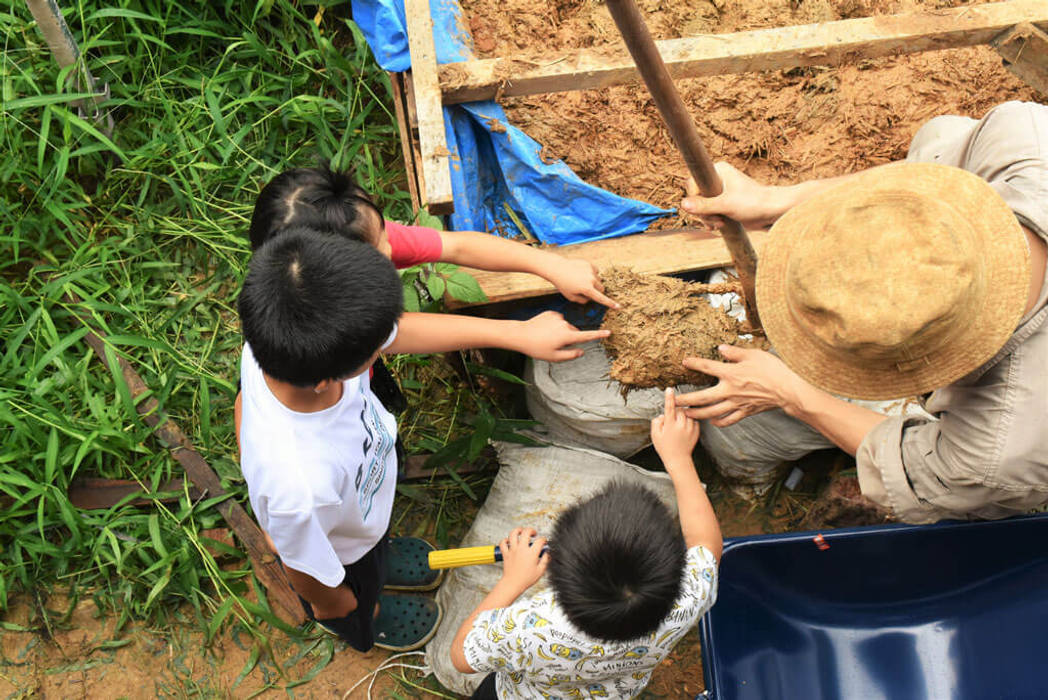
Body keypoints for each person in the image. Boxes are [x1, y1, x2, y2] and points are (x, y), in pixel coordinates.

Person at [674, 100, 1048, 524]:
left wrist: (789, 393)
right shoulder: (1025, 142)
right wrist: (775, 201)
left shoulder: (1004, 445)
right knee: (942, 135)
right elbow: (914, 184)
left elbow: (918, 469)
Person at [236, 227, 494, 652]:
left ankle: (382, 553)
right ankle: (370, 617)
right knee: (359, 596)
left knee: (374, 544)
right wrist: (337, 603)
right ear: (324, 380)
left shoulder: (279, 336)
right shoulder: (298, 487)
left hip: (362, 509)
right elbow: (302, 567)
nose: (387, 348)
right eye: (378, 349)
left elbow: (244, 400)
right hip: (342, 558)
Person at [450, 388, 722, 699]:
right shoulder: (686, 599)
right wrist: (679, 459)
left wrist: (513, 581)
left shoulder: (532, 627)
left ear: (559, 579)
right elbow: (706, 543)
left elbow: (461, 656)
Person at [248, 164, 618, 308]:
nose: (392, 246)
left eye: (383, 232)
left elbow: (457, 244)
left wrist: (550, 265)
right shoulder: (334, 320)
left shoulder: (349, 247)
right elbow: (397, 337)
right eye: (379, 246)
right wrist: (516, 337)